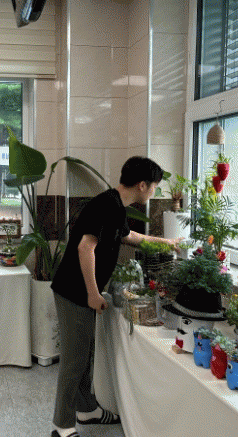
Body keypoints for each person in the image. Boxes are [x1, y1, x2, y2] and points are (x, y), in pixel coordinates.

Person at [50, 156, 182, 437]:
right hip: (74, 292)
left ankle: (86, 409)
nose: (155, 191)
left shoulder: (116, 205)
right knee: (74, 360)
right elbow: (85, 248)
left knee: (85, 353)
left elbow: (130, 236)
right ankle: (62, 425)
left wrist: (168, 243)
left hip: (80, 291)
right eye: (155, 186)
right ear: (142, 184)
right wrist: (93, 293)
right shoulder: (107, 205)